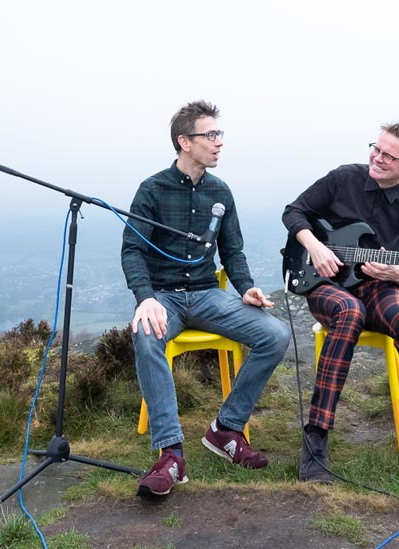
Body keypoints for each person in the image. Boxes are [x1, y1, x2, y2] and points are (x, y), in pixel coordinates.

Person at [281, 122, 399, 499]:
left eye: (388, 155)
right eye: (376, 149)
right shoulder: (343, 179)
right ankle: (316, 439)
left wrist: (398, 274)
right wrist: (316, 248)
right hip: (324, 283)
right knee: (349, 312)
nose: (378, 158)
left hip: (377, 286)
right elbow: (293, 212)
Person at [122, 100, 290, 499]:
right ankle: (171, 455)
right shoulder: (152, 190)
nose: (218, 142)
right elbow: (132, 250)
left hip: (208, 295)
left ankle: (226, 429)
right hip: (164, 298)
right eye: (210, 135)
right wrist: (145, 299)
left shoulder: (220, 191)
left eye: (219, 134)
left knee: (276, 334)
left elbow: (232, 251)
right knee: (146, 335)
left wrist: (245, 287)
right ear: (185, 142)